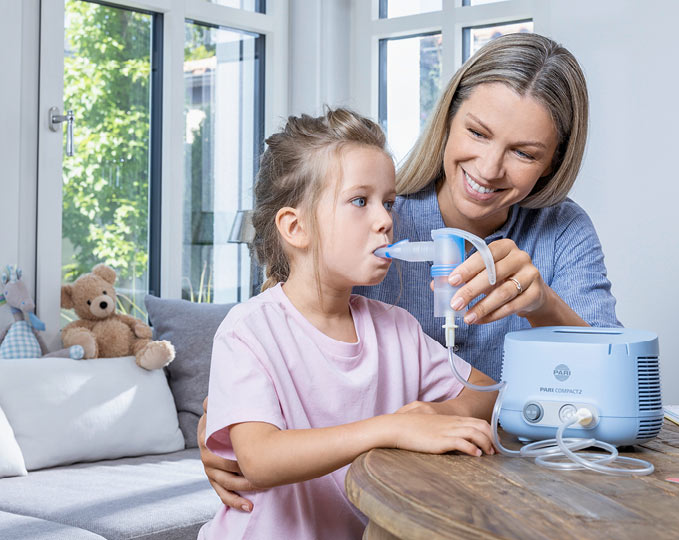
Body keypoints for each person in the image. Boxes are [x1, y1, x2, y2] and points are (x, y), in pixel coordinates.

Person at [200, 32, 621, 512]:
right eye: (478, 133)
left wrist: (542, 306)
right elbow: (288, 326)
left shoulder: (560, 233)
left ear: (552, 164)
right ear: (446, 120)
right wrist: (223, 425)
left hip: (503, 492)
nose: (488, 166)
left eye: (524, 153)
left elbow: (590, 391)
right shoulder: (371, 228)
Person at [197, 109, 498, 539]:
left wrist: (430, 414)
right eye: (361, 201)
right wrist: (392, 428)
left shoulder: (396, 328)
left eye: (388, 202)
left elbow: (485, 395)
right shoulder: (248, 330)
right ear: (295, 227)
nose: (386, 220)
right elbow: (259, 459)